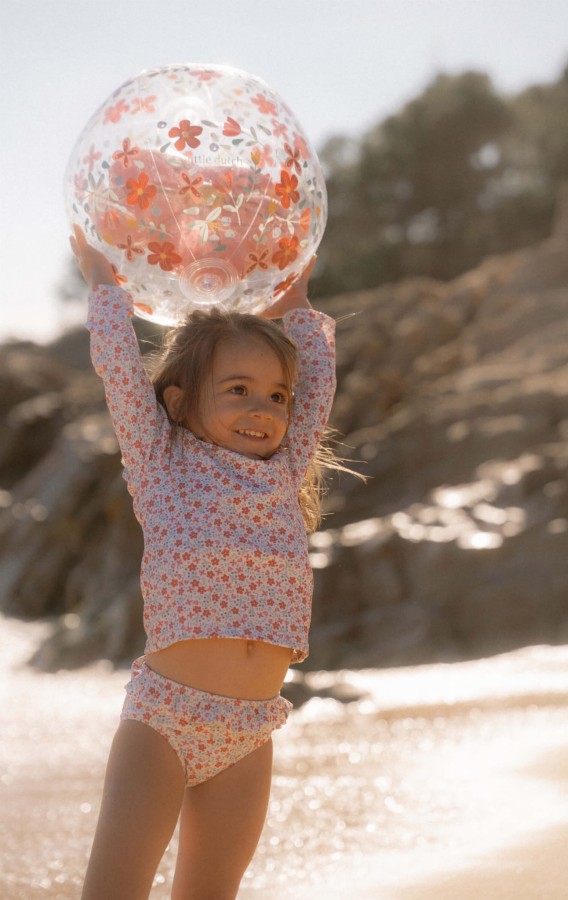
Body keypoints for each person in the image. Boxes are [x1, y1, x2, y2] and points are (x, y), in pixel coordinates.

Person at [70, 225, 339, 900]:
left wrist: (298, 300)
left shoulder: (282, 473)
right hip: (164, 722)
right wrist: (105, 285)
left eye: (276, 396)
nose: (263, 409)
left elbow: (319, 387)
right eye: (238, 389)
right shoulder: (161, 466)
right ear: (180, 401)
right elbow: (121, 374)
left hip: (250, 731)